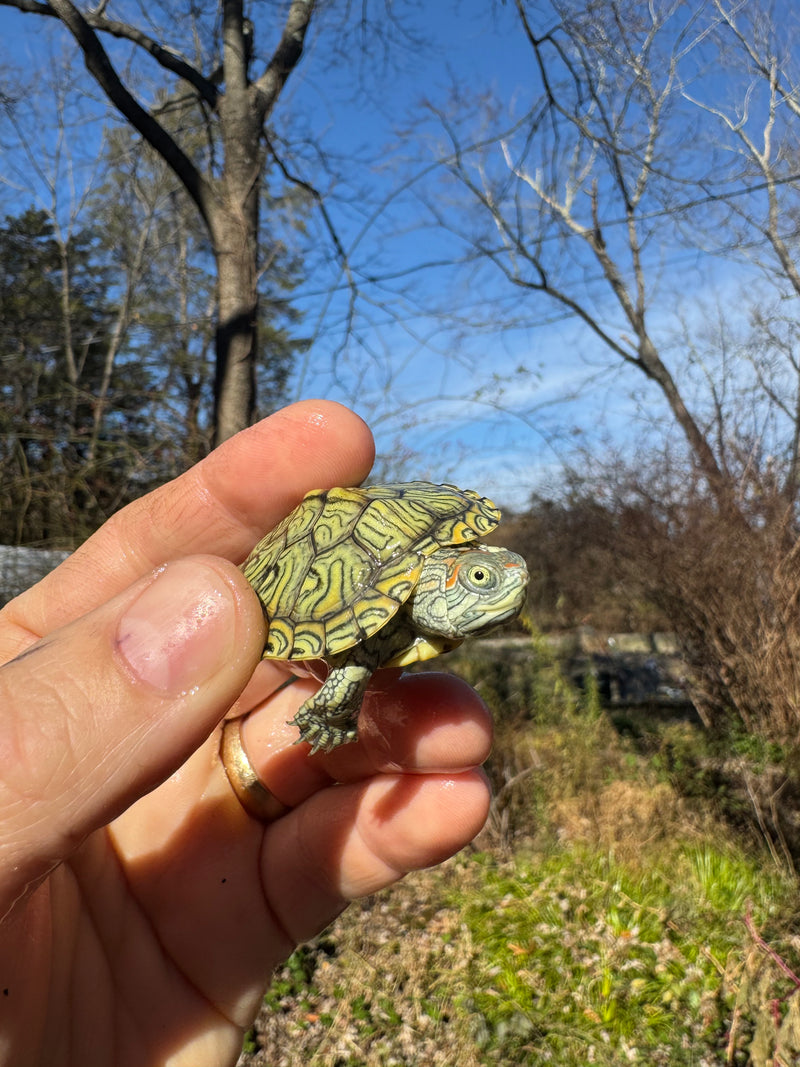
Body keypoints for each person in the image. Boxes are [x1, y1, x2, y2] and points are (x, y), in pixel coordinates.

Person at [0, 401, 492, 1067]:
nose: (502, 584)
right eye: (484, 580)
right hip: (305, 576)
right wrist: (327, 713)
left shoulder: (436, 571)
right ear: (450, 582)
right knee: (353, 679)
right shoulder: (371, 615)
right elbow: (350, 666)